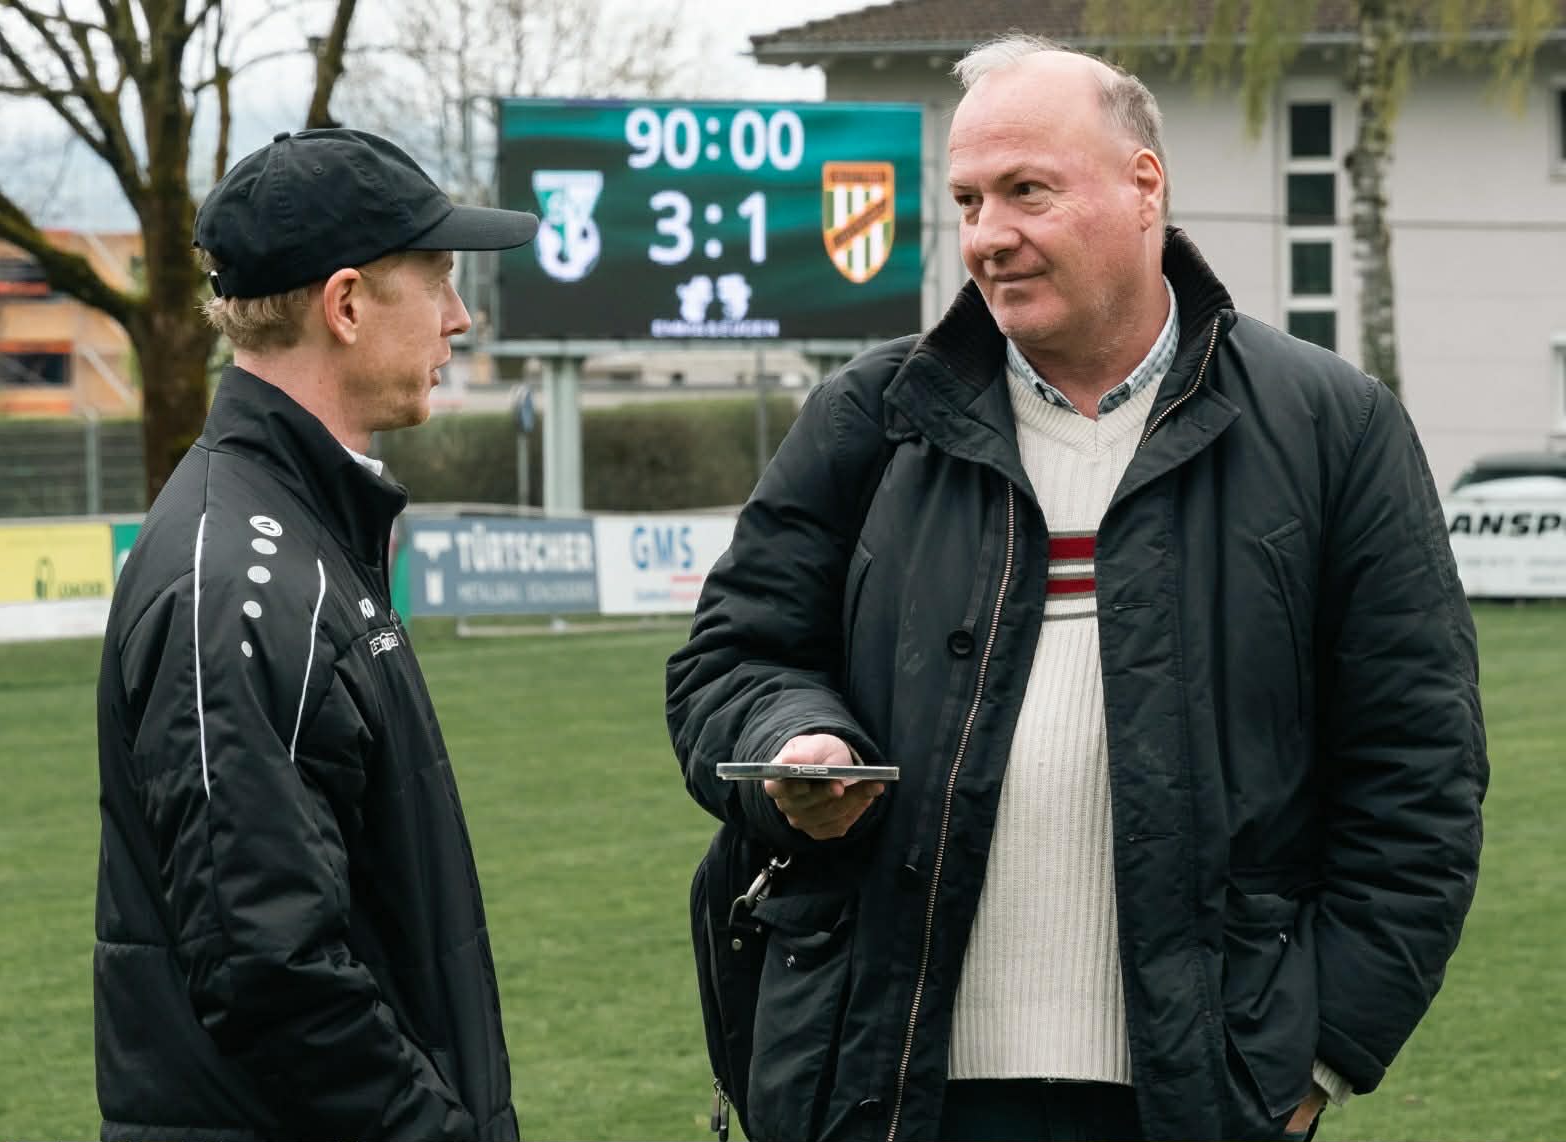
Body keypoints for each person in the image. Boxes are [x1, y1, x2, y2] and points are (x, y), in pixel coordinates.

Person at [666, 34, 1485, 1142]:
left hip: (1197, 1094)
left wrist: (1322, 1053)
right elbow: (731, 658)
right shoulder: (870, 418)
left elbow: (1418, 774)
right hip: (890, 1079)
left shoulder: (1331, 428)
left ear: (1143, 185)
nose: (988, 235)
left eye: (1026, 191)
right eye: (967, 199)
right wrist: (796, 739)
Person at [93, 128, 538, 1141]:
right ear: (344, 305)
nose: (460, 319)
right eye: (438, 281)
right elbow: (268, 967)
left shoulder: (300, 528)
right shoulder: (240, 580)